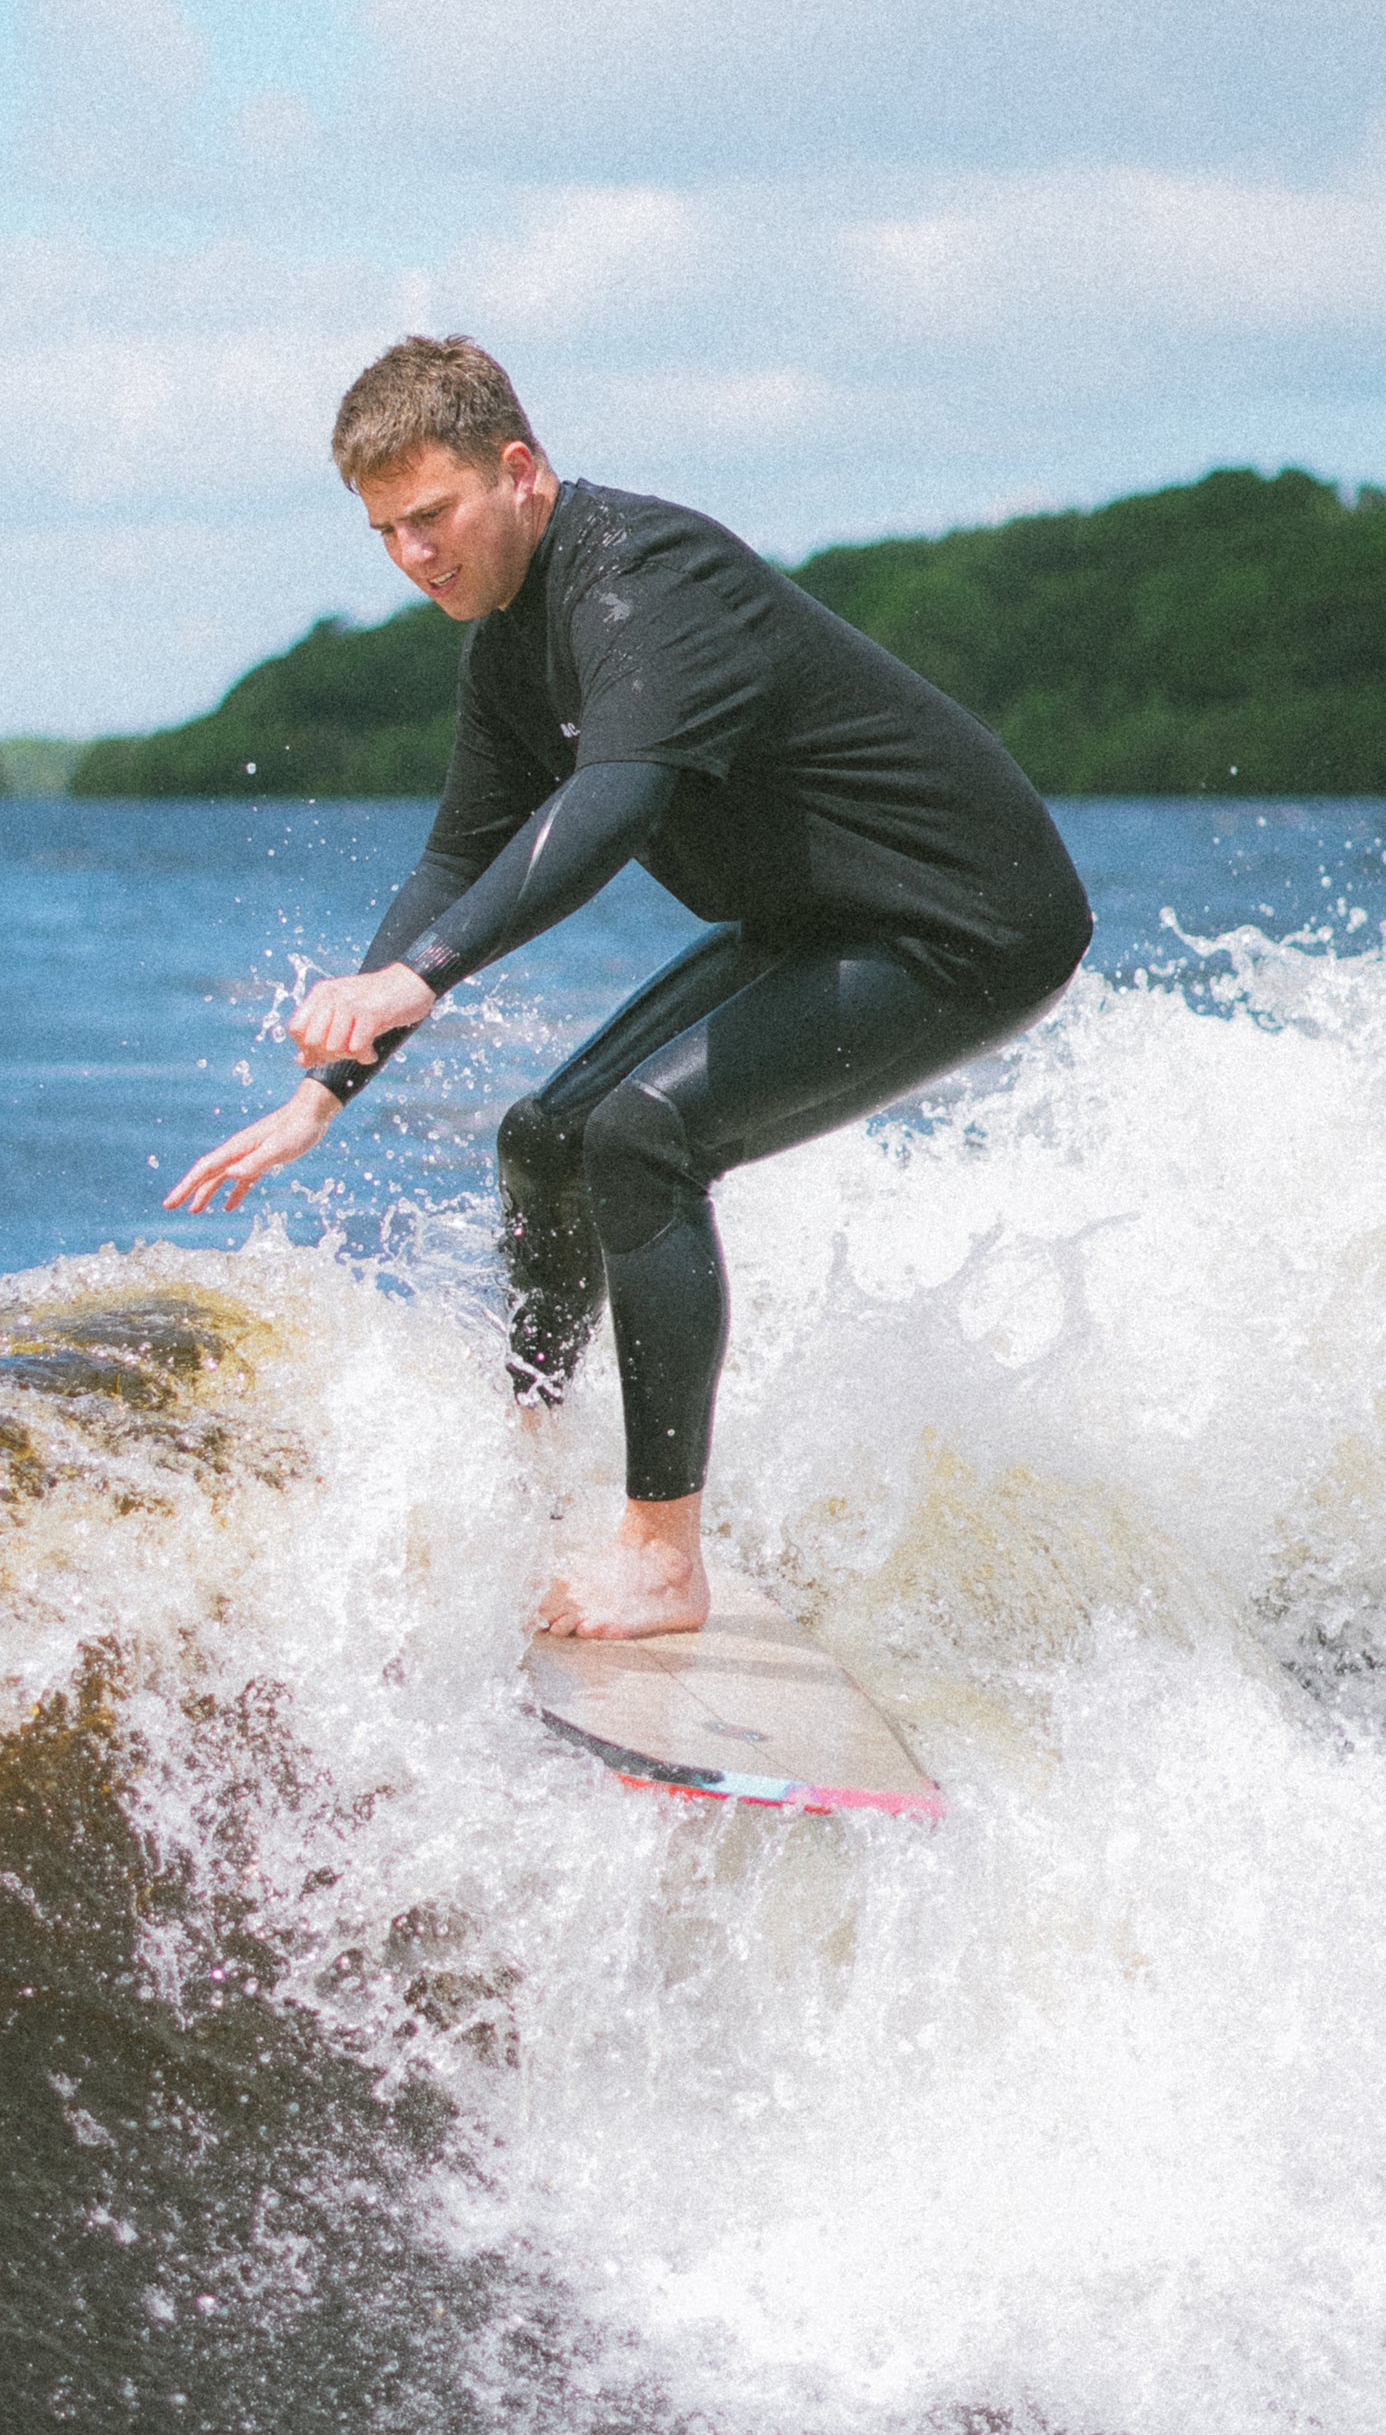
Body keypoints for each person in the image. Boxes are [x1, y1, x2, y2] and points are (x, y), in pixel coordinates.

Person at [166, 337, 1093, 1640]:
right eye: (383, 533)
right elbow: (458, 854)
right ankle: (529, 1473)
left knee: (641, 1141)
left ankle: (662, 1560)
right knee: (543, 1140)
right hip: (815, 919)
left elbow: (612, 804)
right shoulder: (504, 646)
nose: (413, 558)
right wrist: (327, 1090)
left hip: (967, 926)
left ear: (519, 470)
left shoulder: (645, 581)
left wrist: (417, 980)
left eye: (430, 518)